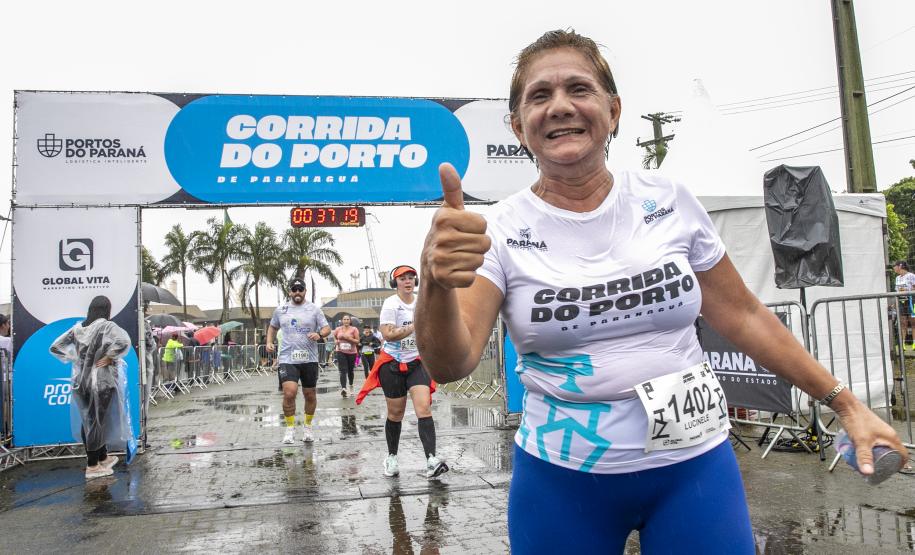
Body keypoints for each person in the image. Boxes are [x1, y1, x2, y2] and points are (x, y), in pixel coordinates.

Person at [414, 29, 908, 554]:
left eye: (578, 89)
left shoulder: (669, 200)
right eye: (540, 96)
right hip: (562, 479)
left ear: (614, 110)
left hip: (693, 470)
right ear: (518, 127)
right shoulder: (499, 230)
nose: (560, 106)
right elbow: (452, 362)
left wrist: (846, 404)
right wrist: (435, 284)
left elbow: (744, 316)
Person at [356, 265, 448, 479]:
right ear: (395, 282)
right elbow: (388, 334)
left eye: (411, 278)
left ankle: (431, 460)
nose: (407, 281)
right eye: (402, 278)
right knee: (395, 414)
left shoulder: (423, 302)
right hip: (393, 364)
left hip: (417, 362)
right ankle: (391, 457)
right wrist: (415, 325)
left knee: (424, 408)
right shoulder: (391, 304)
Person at [49, 296, 132, 480]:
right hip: (100, 381)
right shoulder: (107, 326)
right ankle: (92, 465)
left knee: (89, 420)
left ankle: (101, 458)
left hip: (80, 382)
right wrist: (110, 356)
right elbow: (124, 342)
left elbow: (56, 347)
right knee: (96, 422)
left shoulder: (78, 328)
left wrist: (74, 358)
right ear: (106, 310)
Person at [266, 277, 330, 444]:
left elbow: (326, 328)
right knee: (289, 392)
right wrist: (268, 342)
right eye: (294, 289)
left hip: (309, 358)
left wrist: (320, 334)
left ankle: (308, 427)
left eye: (300, 289)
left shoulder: (314, 309)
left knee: (309, 394)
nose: (297, 292)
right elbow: (273, 326)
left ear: (305, 291)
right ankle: (290, 428)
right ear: (289, 291)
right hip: (288, 358)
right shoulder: (281, 310)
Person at [333, 315, 360, 396]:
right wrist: (336, 341)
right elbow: (334, 337)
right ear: (342, 320)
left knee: (350, 371)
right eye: (344, 319)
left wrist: (348, 338)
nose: (346, 321)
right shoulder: (338, 329)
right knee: (342, 370)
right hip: (340, 351)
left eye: (348, 319)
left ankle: (351, 385)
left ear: (350, 321)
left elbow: (357, 341)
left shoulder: (354, 329)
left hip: (351, 352)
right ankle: (344, 388)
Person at [893, 261, 915, 349]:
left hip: (911, 300)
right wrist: (894, 303)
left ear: (900, 266)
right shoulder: (897, 278)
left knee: (913, 322)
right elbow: (896, 291)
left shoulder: (911, 275)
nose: (894, 268)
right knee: (903, 323)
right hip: (901, 300)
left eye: (894, 266)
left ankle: (914, 343)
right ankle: (903, 344)